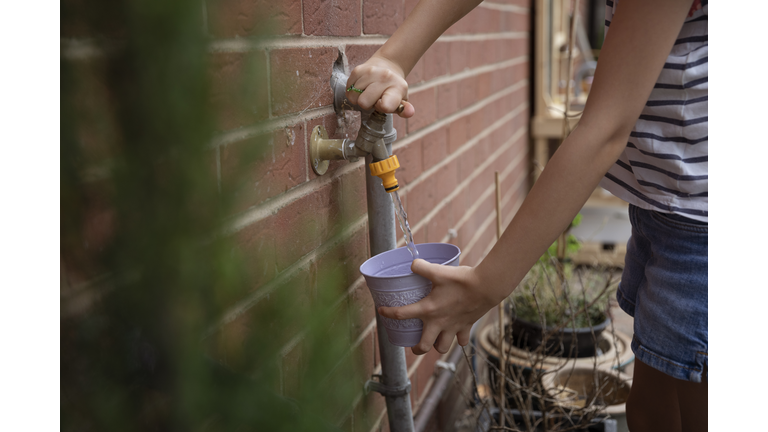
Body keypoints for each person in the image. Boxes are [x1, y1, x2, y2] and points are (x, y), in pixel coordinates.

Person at [345, 0, 707, 431]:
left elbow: (604, 130)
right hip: (664, 212)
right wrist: (394, 56)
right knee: (650, 412)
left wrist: (486, 285)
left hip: (703, 229)